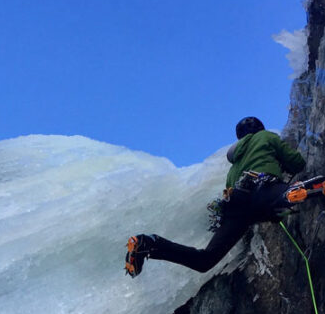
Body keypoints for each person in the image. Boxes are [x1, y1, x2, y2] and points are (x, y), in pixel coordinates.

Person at [125, 117, 307, 277]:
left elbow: (233, 192)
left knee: (204, 261)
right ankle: (311, 188)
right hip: (261, 188)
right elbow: (297, 162)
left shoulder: (233, 168)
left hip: (236, 206)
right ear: (259, 128)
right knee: (284, 195)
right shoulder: (266, 136)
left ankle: (148, 243)